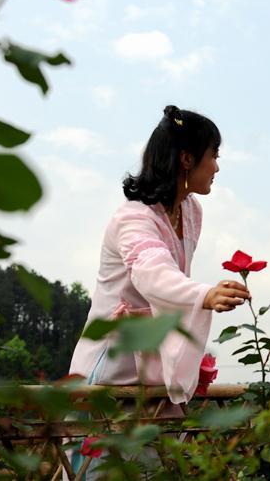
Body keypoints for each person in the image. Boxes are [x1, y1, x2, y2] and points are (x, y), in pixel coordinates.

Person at [69, 105, 251, 404]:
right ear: (187, 159)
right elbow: (151, 273)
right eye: (214, 156)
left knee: (157, 448)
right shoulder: (133, 218)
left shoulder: (191, 212)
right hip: (111, 368)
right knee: (104, 448)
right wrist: (204, 295)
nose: (217, 167)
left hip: (152, 367)